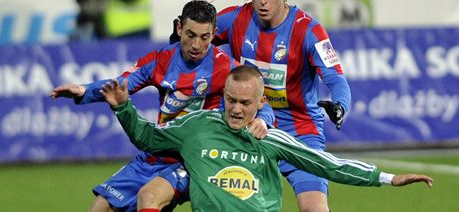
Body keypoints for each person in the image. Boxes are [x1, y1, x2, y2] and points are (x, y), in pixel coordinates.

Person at [100, 65, 433, 212]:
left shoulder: (271, 138)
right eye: (230, 99)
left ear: (261, 103)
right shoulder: (196, 126)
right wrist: (123, 109)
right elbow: (147, 138)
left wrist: (389, 178)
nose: (235, 108)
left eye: (245, 103)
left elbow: (328, 165)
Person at [50, 0, 273, 212]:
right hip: (156, 153)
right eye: (191, 35)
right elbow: (121, 86)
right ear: (179, 28)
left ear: (214, 33)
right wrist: (84, 90)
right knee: (101, 206)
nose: (197, 45)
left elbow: (260, 101)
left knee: (149, 196)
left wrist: (263, 119)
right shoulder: (160, 60)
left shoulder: (226, 67)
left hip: (194, 158)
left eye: (205, 37)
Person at [213, 0, 354, 212]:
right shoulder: (234, 19)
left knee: (315, 208)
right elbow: (196, 40)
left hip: (299, 133)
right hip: (247, 131)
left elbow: (335, 77)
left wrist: (340, 106)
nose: (263, 0)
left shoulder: (309, 30)